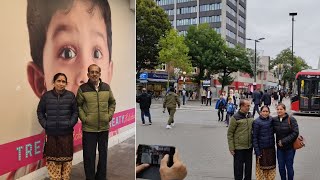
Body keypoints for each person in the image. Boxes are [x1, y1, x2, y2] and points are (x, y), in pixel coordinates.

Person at [77, 64, 116, 180]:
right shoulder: (83, 88)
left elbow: (112, 103)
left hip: (104, 128)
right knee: (89, 156)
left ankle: (101, 177)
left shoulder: (106, 87)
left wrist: (108, 116)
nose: (94, 74)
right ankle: (90, 178)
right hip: (89, 129)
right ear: (88, 74)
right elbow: (78, 105)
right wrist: (85, 119)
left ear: (99, 74)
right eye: (92, 72)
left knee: (103, 155)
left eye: (96, 72)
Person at [37, 73, 78, 180]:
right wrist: (45, 124)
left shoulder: (70, 96)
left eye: (63, 81)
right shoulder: (46, 96)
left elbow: (75, 112)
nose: (61, 83)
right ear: (54, 82)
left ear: (66, 83)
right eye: (58, 81)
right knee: (52, 161)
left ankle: (65, 178)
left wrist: (70, 123)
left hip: (66, 134)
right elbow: (40, 111)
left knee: (67, 161)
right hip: (51, 134)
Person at [227, 99, 254, 180]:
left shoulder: (250, 115)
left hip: (249, 147)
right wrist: (231, 147)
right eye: (247, 106)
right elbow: (230, 133)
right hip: (239, 148)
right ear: (242, 106)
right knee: (238, 169)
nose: (249, 107)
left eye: (249, 106)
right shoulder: (235, 117)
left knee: (248, 169)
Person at [272, 103, 299, 180]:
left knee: (289, 166)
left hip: (290, 148)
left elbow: (295, 132)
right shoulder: (275, 120)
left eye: (281, 109)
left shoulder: (291, 119)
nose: (279, 111)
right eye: (278, 109)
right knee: (281, 167)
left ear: (285, 110)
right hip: (280, 149)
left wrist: (283, 141)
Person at [253, 106, 276, 180]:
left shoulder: (272, 120)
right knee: (260, 170)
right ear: (260, 112)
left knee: (271, 169)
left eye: (267, 111)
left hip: (271, 149)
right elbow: (254, 138)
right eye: (263, 111)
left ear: (269, 112)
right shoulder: (256, 122)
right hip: (261, 150)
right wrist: (257, 151)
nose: (265, 113)